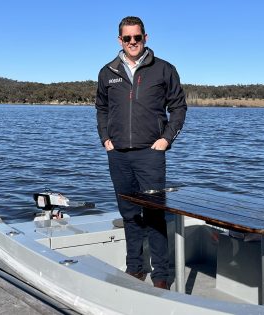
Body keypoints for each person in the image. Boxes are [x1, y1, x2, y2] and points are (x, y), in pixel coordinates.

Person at [95, 16, 187, 290]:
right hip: (119, 154)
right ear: (119, 40)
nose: (132, 42)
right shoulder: (107, 72)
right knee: (129, 214)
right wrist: (105, 139)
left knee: (155, 214)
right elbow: (101, 109)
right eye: (127, 38)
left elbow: (179, 108)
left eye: (137, 37)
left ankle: (161, 275)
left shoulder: (163, 69)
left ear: (146, 38)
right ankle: (134, 268)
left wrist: (166, 139)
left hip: (150, 154)